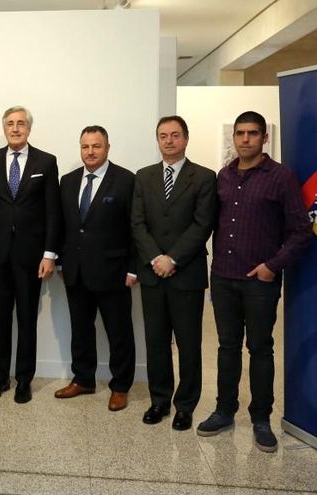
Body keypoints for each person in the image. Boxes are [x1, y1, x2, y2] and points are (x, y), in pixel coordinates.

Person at [196, 111, 311, 452]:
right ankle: (224, 410)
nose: (245, 139)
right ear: (233, 138)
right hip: (223, 278)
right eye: (240, 133)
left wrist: (272, 266)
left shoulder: (281, 178)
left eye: (252, 133)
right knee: (227, 348)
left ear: (264, 138)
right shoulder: (223, 177)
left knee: (260, 349)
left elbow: (302, 231)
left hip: (260, 281)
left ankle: (261, 418)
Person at [131, 115, 216, 431]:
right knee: (155, 341)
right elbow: (137, 223)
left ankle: (185, 406)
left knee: (189, 343)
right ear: (157, 140)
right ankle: (159, 400)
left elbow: (202, 224)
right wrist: (155, 257)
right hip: (153, 273)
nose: (169, 140)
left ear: (186, 139)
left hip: (186, 274)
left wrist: (173, 259)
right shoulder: (144, 176)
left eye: (175, 135)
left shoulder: (204, 177)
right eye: (163, 136)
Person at [0, 106, 61, 404]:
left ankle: (24, 379)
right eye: (11, 124)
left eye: (21, 123)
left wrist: (49, 254)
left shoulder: (46, 162)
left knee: (26, 319)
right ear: (4, 128)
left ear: (29, 128)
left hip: (31, 256)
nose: (15, 128)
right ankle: (0, 377)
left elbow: (53, 212)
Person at [55, 126, 137, 411]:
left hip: (113, 272)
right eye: (85, 146)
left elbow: (135, 228)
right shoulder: (67, 181)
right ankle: (83, 379)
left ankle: (121, 386)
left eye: (96, 146)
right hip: (75, 271)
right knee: (80, 330)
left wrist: (133, 269)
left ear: (107, 148)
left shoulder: (126, 180)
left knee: (119, 332)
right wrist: (60, 261)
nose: (90, 152)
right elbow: (63, 225)